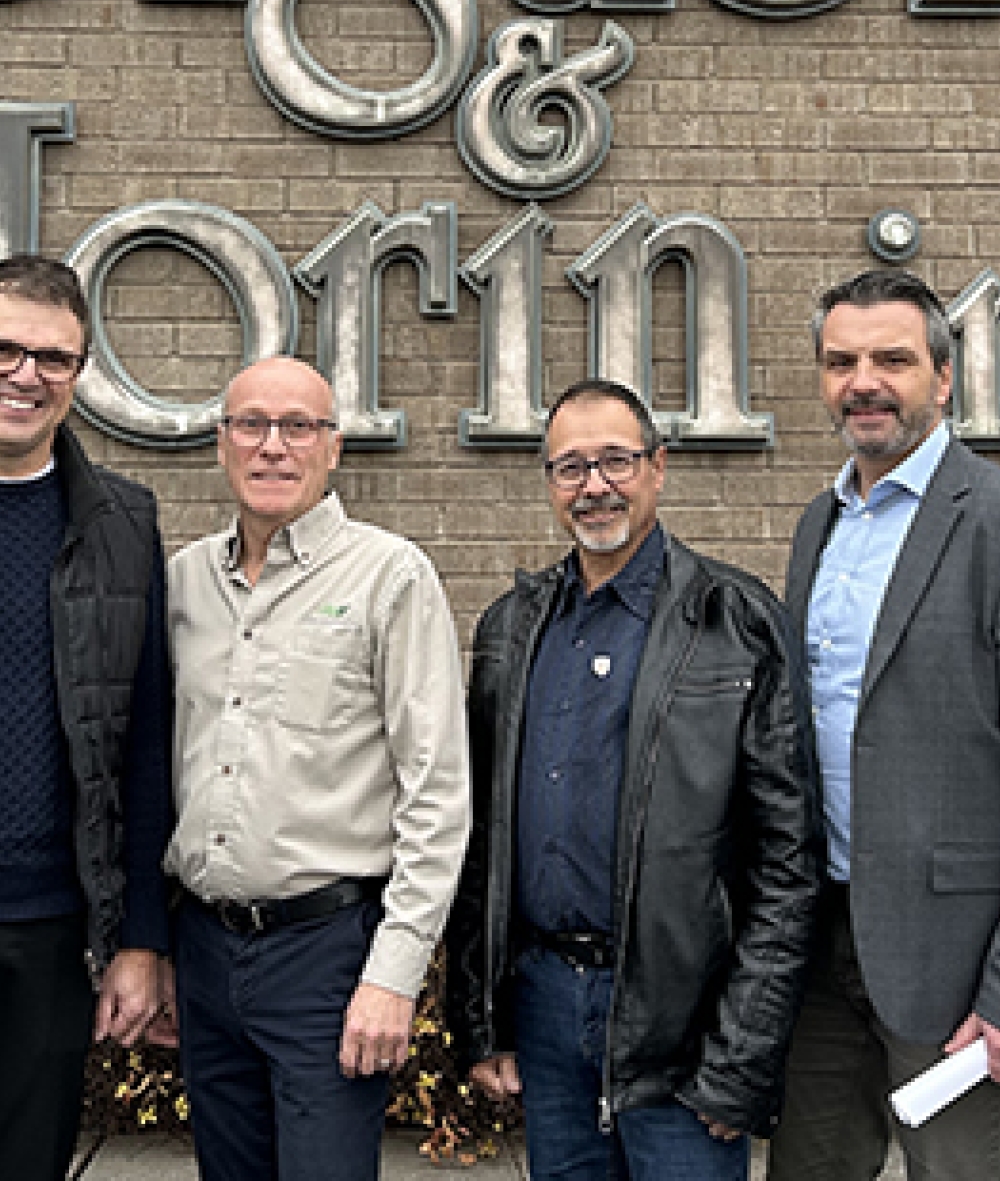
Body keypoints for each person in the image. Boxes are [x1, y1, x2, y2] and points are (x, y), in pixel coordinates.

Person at [445, 377, 821, 1181]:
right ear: (549, 482)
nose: (595, 485)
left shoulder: (737, 620)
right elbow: (482, 840)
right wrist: (485, 1020)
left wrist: (741, 1058)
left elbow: (787, 861)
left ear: (658, 467)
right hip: (548, 1014)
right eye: (570, 466)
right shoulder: (513, 628)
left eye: (615, 459)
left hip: (683, 1029)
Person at [163, 355, 470, 1181]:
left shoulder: (390, 577)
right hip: (203, 949)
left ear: (334, 447)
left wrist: (394, 976)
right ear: (222, 443)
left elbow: (437, 794)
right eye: (251, 424)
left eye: (298, 426)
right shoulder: (183, 581)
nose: (273, 446)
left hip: (327, 957)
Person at [767, 269, 1000, 1180]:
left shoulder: (989, 519)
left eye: (892, 359)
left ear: (943, 378)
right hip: (825, 942)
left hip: (954, 964)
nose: (863, 380)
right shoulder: (816, 525)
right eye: (841, 361)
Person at [0, 254, 173, 1181]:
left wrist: (140, 940)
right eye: (6, 349)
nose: (27, 374)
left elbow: (144, 747)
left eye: (53, 357)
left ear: (80, 372)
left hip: (51, 925)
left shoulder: (121, 523)